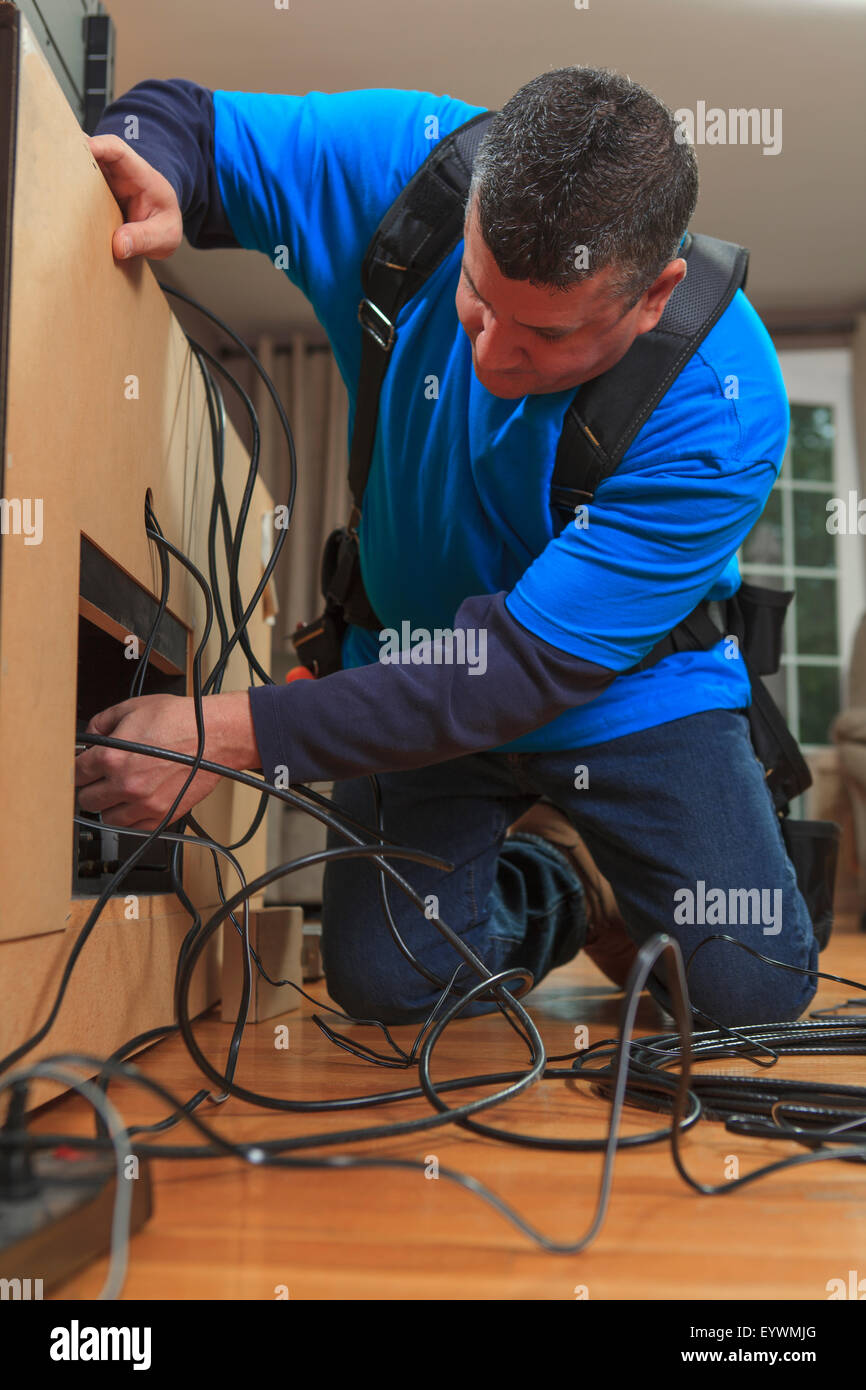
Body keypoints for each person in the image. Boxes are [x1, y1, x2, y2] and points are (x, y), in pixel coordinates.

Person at [75, 66, 818, 1027]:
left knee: (747, 997)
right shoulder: (412, 165)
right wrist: (152, 161)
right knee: (388, 983)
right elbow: (182, 119)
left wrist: (226, 735)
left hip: (622, 690)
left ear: (652, 295)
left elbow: (515, 671)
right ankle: (564, 879)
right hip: (410, 665)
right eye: (478, 295)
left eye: (547, 334)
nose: (491, 355)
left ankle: (616, 868)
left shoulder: (722, 407)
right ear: (472, 211)